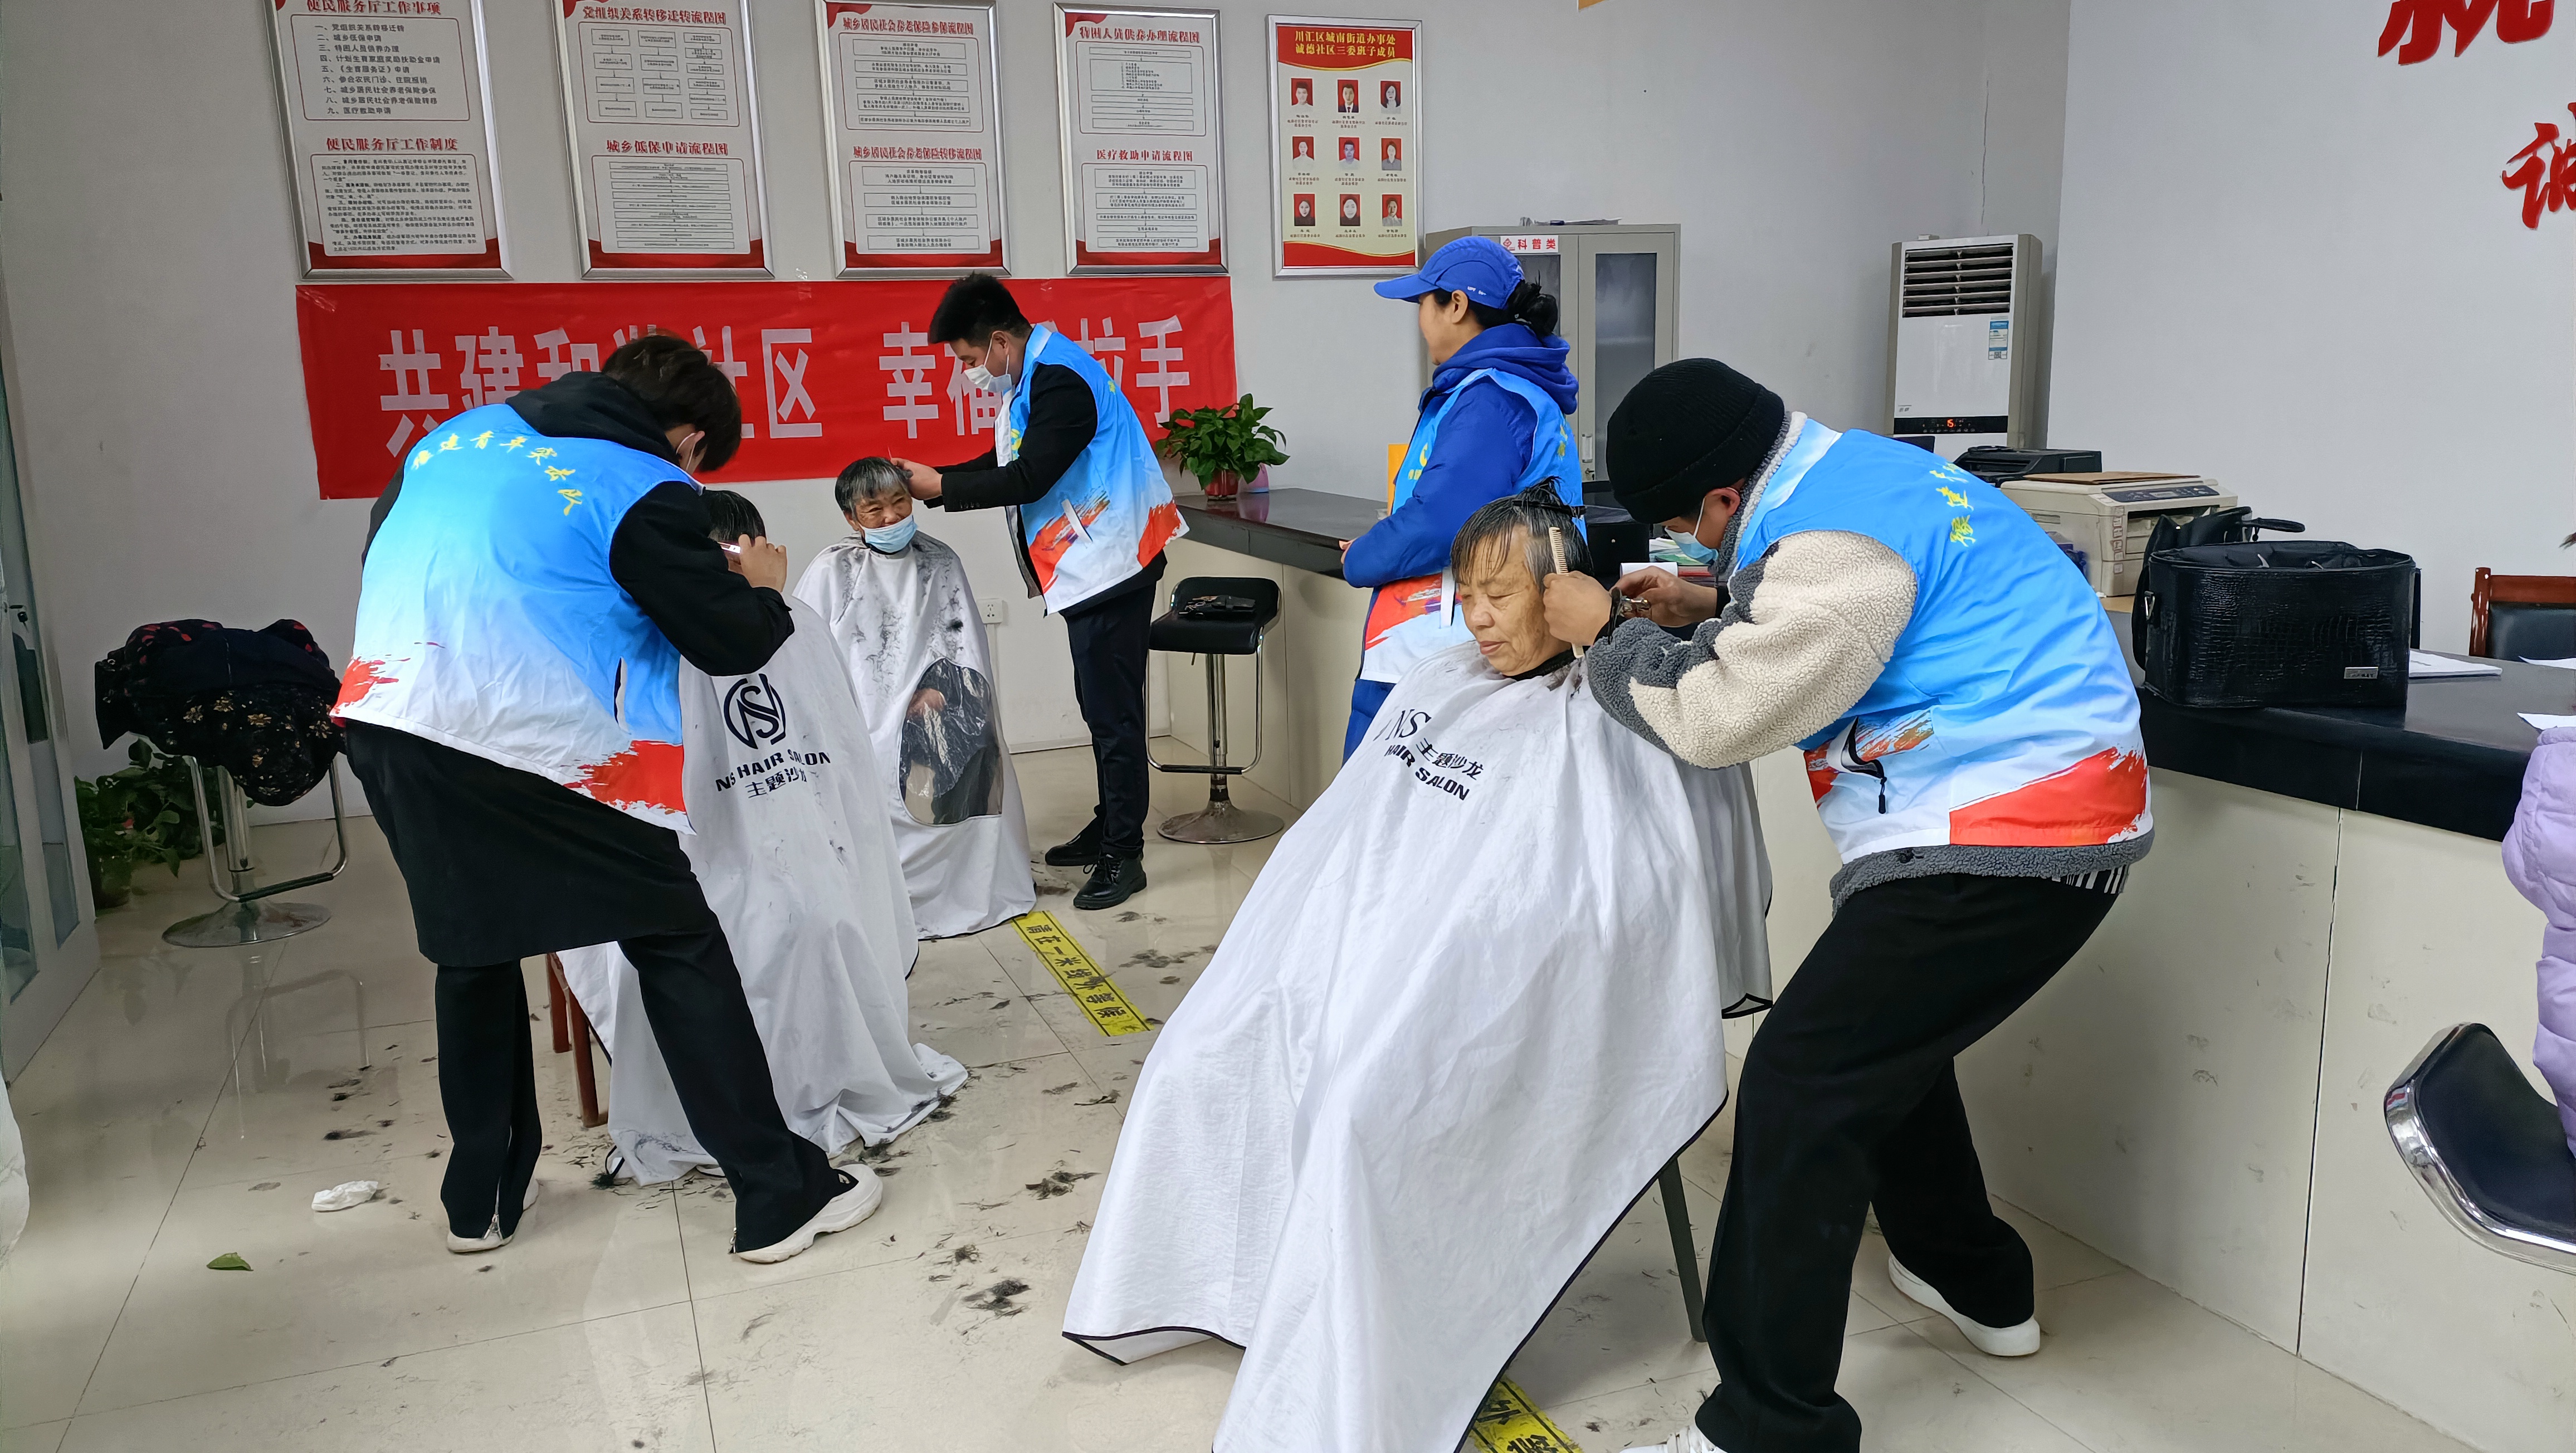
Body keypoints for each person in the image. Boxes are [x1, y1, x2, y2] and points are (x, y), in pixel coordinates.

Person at [1530, 358, 2153, 1453]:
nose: (1685, 545)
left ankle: (1766, 1426)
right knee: (1874, 1048)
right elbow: (1845, 607)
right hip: (2030, 819)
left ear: (1723, 498)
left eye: (1683, 529)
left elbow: (1718, 714)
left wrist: (1601, 635)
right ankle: (1974, 1278)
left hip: (2011, 837)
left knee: (1798, 1080)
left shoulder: (1834, 548)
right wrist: (1711, 600)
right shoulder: (1854, 471)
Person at [1064, 490, 1770, 1453]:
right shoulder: (1441, 682)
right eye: (1464, 594)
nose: (1475, 619)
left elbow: (1621, 903)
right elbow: (1342, 850)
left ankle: (1355, 1351)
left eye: (1499, 595)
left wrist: (1457, 957)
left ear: (1565, 592)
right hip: (1357, 960)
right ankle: (1227, 1286)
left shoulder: (1623, 719)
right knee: (1199, 1053)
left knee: (1357, 1110)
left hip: (1483, 995)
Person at [339, 335, 874, 1264]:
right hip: (534, 739)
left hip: (390, 718)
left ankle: (480, 1202)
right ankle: (778, 1196)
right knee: (673, 937)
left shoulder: (450, 440)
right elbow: (727, 640)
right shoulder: (642, 480)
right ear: (690, 437)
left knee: (473, 952)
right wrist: (762, 588)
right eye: (701, 459)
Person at [558, 489, 965, 1186]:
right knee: (721, 942)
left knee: (818, 925)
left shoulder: (795, 623)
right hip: (691, 853)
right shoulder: (644, 641)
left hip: (797, 834)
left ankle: (812, 1072)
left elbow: (835, 749)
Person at [887, 274, 1183, 911]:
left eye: (969, 358)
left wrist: (943, 487)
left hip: (1115, 564)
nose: (969, 371)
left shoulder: (1061, 381)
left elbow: (1029, 477)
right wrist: (936, 480)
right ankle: (1110, 822)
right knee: (1099, 706)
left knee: (1114, 715)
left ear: (1000, 341)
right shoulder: (1033, 378)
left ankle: (1124, 852)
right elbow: (1009, 461)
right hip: (1092, 566)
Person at [1340, 235, 1578, 757]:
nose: (1420, 321)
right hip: (1453, 648)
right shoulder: (1496, 389)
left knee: (1391, 802)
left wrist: (1363, 557)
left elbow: (1443, 522)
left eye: (1423, 303)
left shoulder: (1492, 398)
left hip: (1443, 655)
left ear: (1456, 304)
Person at [796, 457, 1038, 938]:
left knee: (976, 755)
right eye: (875, 510)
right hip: (861, 709)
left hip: (941, 699)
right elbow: (808, 650)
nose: (891, 517)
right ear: (851, 517)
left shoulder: (940, 559)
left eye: (899, 503)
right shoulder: (832, 569)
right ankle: (885, 900)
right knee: (877, 763)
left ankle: (967, 889)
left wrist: (941, 691)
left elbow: (965, 644)